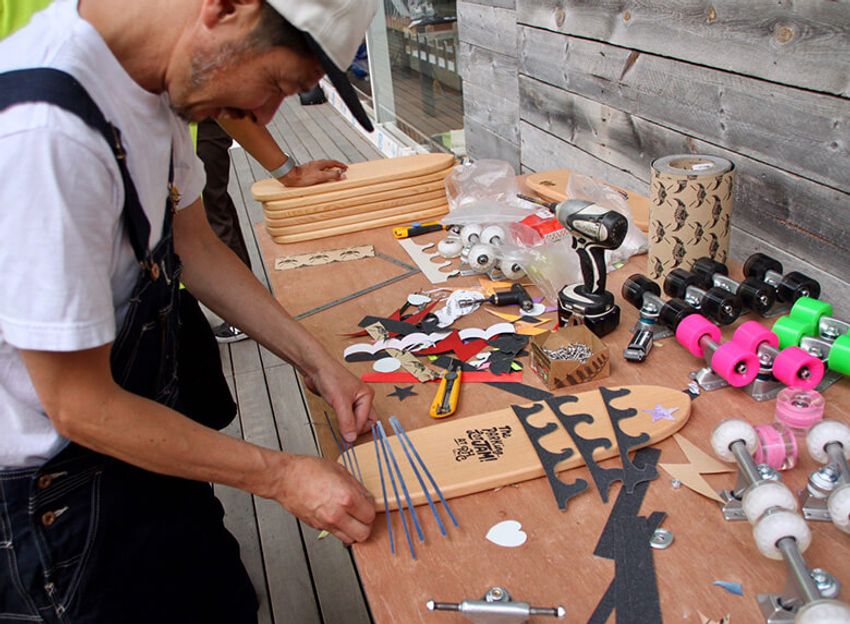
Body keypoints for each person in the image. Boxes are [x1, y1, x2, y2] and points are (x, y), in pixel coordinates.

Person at [0, 0, 378, 622]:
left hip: (146, 440)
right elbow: (78, 404)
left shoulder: (158, 79)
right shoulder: (48, 135)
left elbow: (192, 243)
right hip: (57, 503)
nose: (262, 115)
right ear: (226, 9)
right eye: (277, 83)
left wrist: (317, 360)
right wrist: (281, 475)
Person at [198, 115, 348, 342]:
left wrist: (290, 173)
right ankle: (244, 306)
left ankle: (243, 313)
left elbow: (223, 104)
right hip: (183, 131)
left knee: (208, 215)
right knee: (210, 212)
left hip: (188, 133)